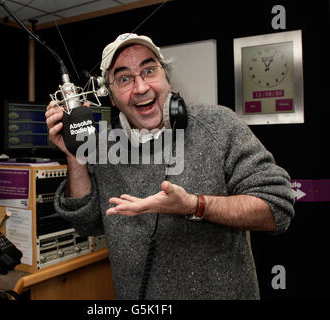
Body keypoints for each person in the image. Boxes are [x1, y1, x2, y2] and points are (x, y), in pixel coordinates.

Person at [45, 33, 295, 300]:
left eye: (149, 70)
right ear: (112, 97)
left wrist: (195, 205)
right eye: (124, 78)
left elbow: (277, 208)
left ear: (166, 77)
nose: (141, 87)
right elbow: (86, 223)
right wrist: (75, 153)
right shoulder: (104, 146)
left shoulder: (219, 125)